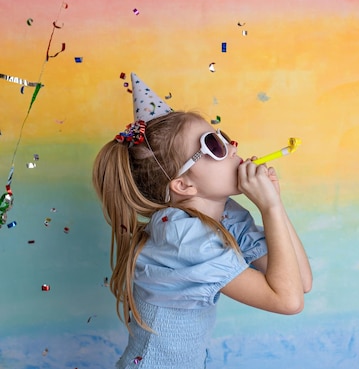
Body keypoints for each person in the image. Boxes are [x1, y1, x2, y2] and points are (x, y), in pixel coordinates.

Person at [92, 73, 312, 368]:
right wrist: (269, 209)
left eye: (222, 137)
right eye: (214, 145)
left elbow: (302, 282)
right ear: (183, 185)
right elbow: (288, 301)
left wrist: (273, 203)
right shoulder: (182, 236)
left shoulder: (225, 214)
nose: (232, 146)